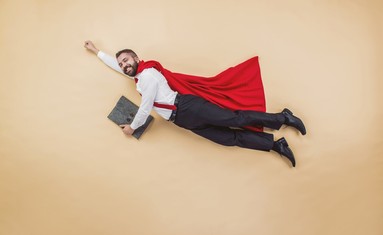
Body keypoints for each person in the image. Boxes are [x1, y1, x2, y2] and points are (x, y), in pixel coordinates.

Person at [84, 40, 306, 167]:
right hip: (182, 119)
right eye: (121, 64)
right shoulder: (138, 76)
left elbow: (146, 107)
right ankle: (275, 145)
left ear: (137, 58)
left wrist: (132, 129)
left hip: (188, 107)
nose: (123, 65)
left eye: (126, 60)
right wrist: (97, 51)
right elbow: (117, 65)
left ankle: (283, 117)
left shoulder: (148, 75)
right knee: (229, 139)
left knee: (235, 118)